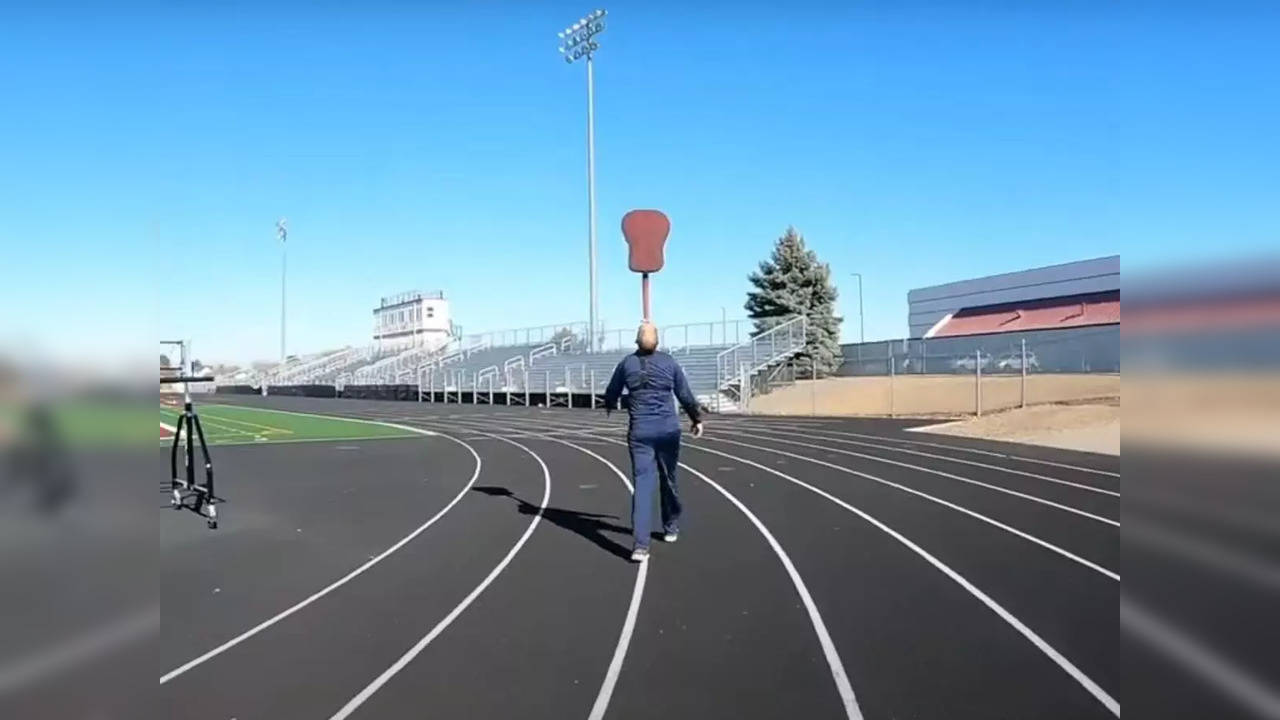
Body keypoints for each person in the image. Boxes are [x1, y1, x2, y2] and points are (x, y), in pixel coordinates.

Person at [604, 322, 705, 562]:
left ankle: (641, 546)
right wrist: (696, 419)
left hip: (640, 433)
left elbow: (611, 393)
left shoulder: (626, 364)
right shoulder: (669, 363)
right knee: (668, 479)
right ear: (658, 342)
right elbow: (685, 395)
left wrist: (614, 403)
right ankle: (670, 526)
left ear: (636, 341)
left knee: (642, 486)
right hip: (668, 431)